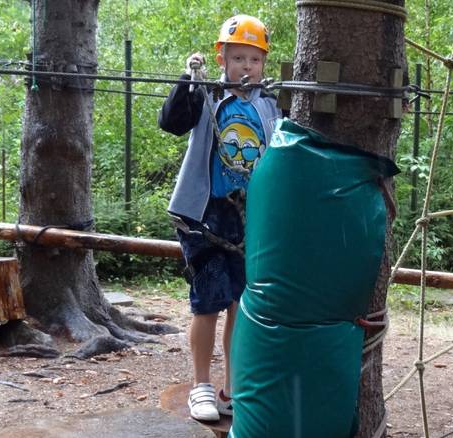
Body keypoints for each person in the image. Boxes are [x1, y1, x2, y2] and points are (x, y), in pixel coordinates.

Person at [158, 14, 282, 421]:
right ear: (222, 59)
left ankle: (234, 386)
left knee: (240, 305)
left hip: (250, 217)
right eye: (239, 58)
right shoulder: (207, 96)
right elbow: (172, 122)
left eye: (255, 60)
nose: (247, 67)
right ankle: (201, 386)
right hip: (205, 215)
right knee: (207, 302)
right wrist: (187, 79)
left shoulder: (270, 104)